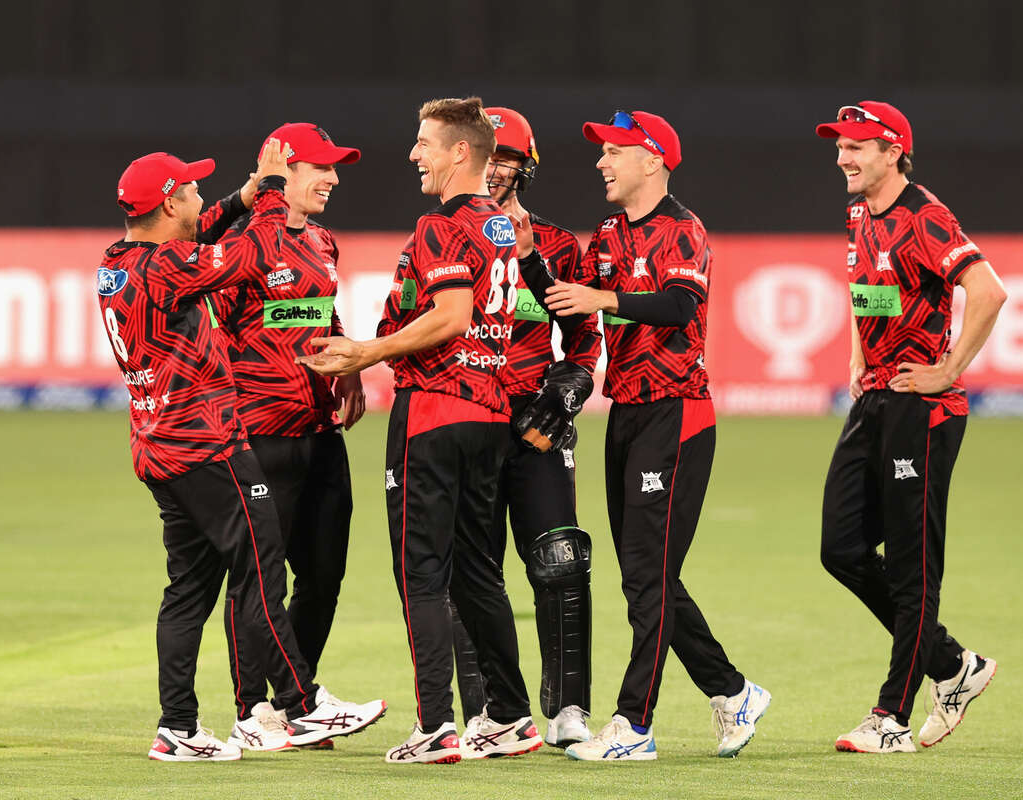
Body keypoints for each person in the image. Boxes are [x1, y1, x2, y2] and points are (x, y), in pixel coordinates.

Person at [99, 143, 383, 762]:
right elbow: (251, 254)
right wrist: (273, 188)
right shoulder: (170, 266)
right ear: (171, 202)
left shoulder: (120, 261)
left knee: (189, 591)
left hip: (159, 448)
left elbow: (208, 236)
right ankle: (298, 708)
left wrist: (241, 198)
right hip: (207, 446)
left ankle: (177, 726)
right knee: (261, 571)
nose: (205, 196)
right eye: (195, 190)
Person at [299, 96, 541, 765]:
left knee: (422, 573)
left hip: (433, 411)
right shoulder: (499, 227)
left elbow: (452, 314)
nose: (415, 154)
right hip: (489, 413)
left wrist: (366, 356)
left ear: (462, 152)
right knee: (476, 574)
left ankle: (436, 725)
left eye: (425, 143)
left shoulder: (440, 225)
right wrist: (370, 351)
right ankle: (512, 717)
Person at [543, 110, 770, 762]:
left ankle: (633, 726)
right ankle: (732, 693)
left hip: (678, 415)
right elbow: (571, 292)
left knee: (648, 578)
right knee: (651, 578)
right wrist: (529, 253)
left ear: (651, 159)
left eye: (613, 151)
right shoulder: (611, 229)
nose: (600, 162)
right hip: (628, 413)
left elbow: (678, 305)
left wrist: (604, 300)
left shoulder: (683, 230)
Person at [814, 101, 1006, 754]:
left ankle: (889, 719)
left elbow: (988, 291)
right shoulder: (858, 213)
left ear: (893, 152)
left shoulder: (926, 215)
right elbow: (865, 287)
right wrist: (857, 357)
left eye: (857, 146)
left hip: (922, 412)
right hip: (876, 402)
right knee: (839, 548)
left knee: (910, 566)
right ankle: (953, 665)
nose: (842, 156)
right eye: (840, 146)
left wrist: (947, 370)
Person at [449, 106, 602, 749]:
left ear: (523, 168)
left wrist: (569, 388)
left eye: (506, 159)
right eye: (488, 158)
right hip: (469, 418)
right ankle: (488, 710)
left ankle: (569, 709)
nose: (495, 171)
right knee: (471, 569)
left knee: (560, 560)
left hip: (536, 425)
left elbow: (588, 338)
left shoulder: (561, 246)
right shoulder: (445, 237)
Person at [206, 123, 363, 723]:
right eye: (321, 167)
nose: (333, 177)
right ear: (284, 170)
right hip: (260, 435)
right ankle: (251, 712)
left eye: (334, 166)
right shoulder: (242, 246)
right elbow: (210, 334)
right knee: (258, 580)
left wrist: (346, 357)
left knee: (323, 577)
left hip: (321, 434)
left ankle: (297, 702)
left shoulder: (323, 241)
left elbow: (317, 312)